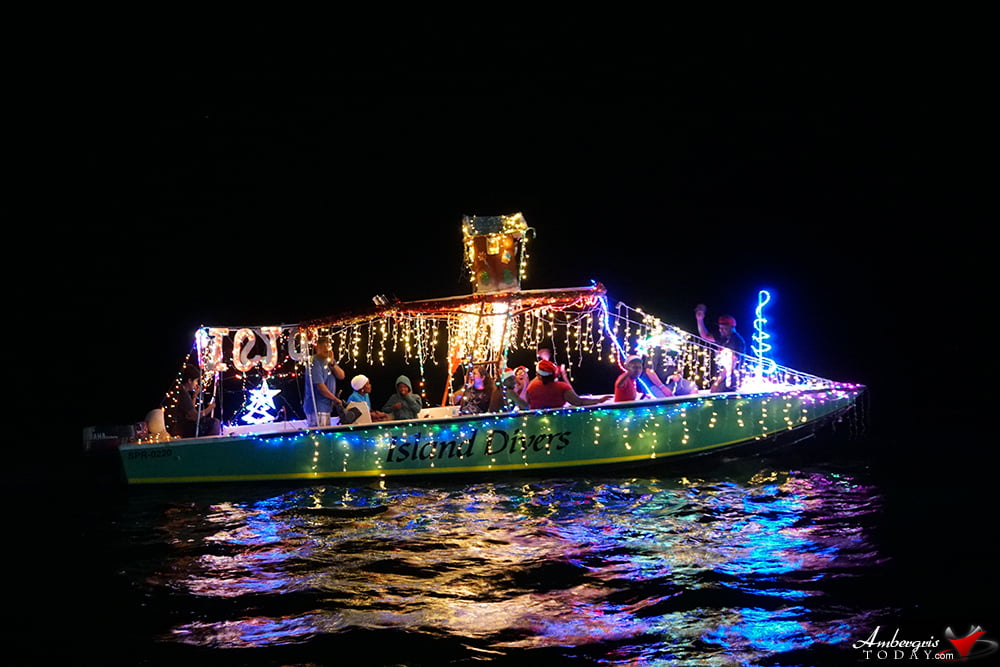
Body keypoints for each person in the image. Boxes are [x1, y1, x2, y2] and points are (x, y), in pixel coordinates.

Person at [303, 336, 357, 427]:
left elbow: (341, 375)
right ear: (317, 348)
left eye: (328, 346)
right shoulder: (314, 362)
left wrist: (332, 363)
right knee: (320, 435)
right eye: (323, 347)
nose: (326, 349)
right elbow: (321, 387)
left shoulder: (329, 360)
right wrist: (335, 399)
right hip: (317, 407)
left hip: (327, 406)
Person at [694, 305, 747, 391]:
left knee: (718, 392)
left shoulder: (737, 341)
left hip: (733, 377)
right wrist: (699, 320)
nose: (720, 330)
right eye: (720, 328)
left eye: (724, 328)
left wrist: (717, 383)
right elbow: (705, 336)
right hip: (723, 375)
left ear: (732, 327)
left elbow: (731, 365)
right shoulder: (723, 337)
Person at [526, 360, 611, 410]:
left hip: (535, 422)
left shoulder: (531, 386)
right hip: (558, 422)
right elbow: (578, 402)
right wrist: (599, 400)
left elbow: (528, 402)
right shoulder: (561, 387)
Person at [167, 364, 222, 437]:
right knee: (215, 423)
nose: (196, 384)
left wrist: (195, 395)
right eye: (196, 381)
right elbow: (195, 416)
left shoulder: (180, 390)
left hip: (179, 426)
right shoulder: (182, 393)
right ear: (190, 381)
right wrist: (211, 407)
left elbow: (190, 412)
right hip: (180, 429)